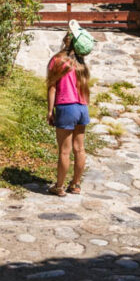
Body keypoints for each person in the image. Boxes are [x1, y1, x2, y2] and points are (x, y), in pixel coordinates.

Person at [46, 20, 95, 196]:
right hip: (82, 108)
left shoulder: (57, 61)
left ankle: (59, 187)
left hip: (66, 107)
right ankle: (75, 184)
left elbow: (52, 87)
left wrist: (50, 111)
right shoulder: (81, 63)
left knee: (64, 151)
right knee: (79, 149)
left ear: (67, 40)